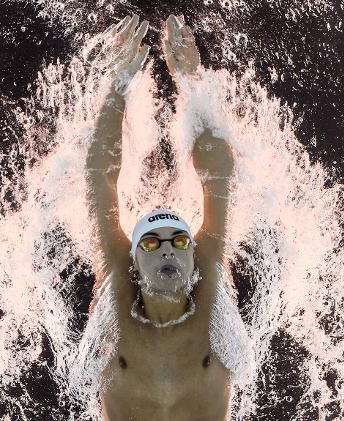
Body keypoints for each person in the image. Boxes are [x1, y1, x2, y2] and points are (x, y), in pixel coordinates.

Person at [84, 13, 247, 421]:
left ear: (194, 254)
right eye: (152, 244)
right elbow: (99, 179)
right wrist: (117, 85)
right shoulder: (119, 292)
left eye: (178, 241)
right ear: (134, 260)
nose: (168, 251)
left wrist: (192, 80)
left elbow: (218, 176)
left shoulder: (209, 286)